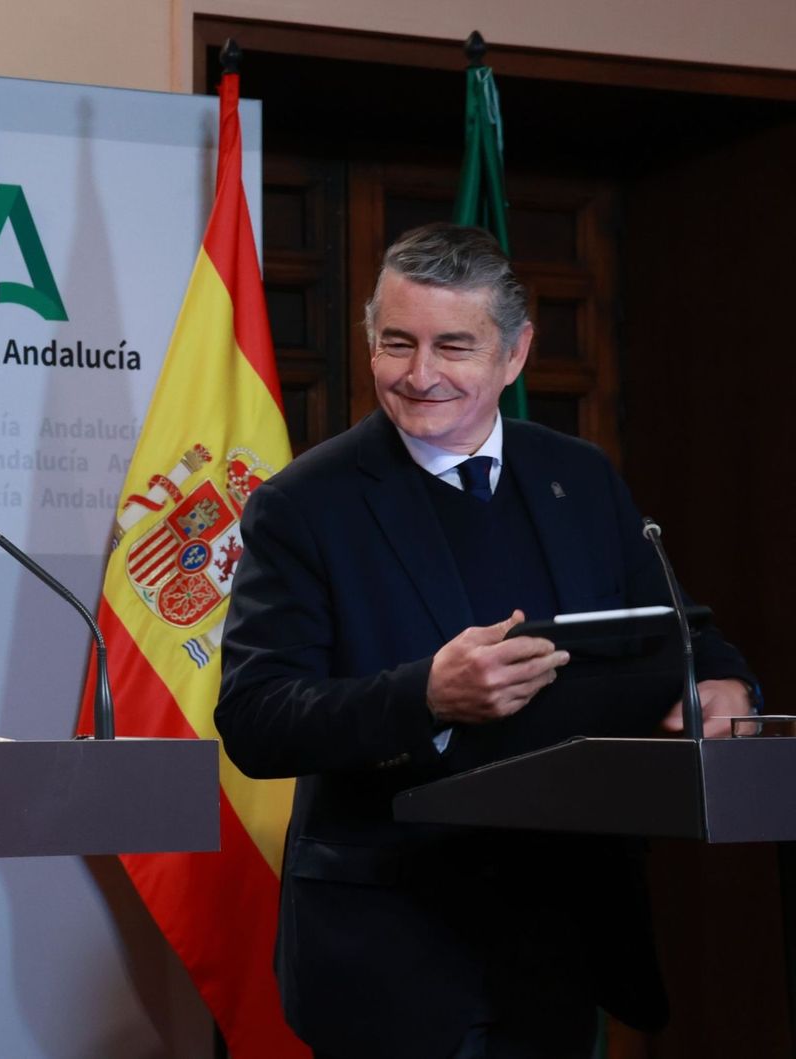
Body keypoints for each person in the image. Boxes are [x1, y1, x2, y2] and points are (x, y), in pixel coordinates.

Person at [216, 223, 756, 1059]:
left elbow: (681, 632)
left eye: (453, 346)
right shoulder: (303, 505)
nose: (419, 373)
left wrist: (723, 683)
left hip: (560, 939)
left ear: (515, 353)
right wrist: (426, 696)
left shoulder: (579, 475)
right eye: (398, 342)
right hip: (390, 949)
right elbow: (256, 719)